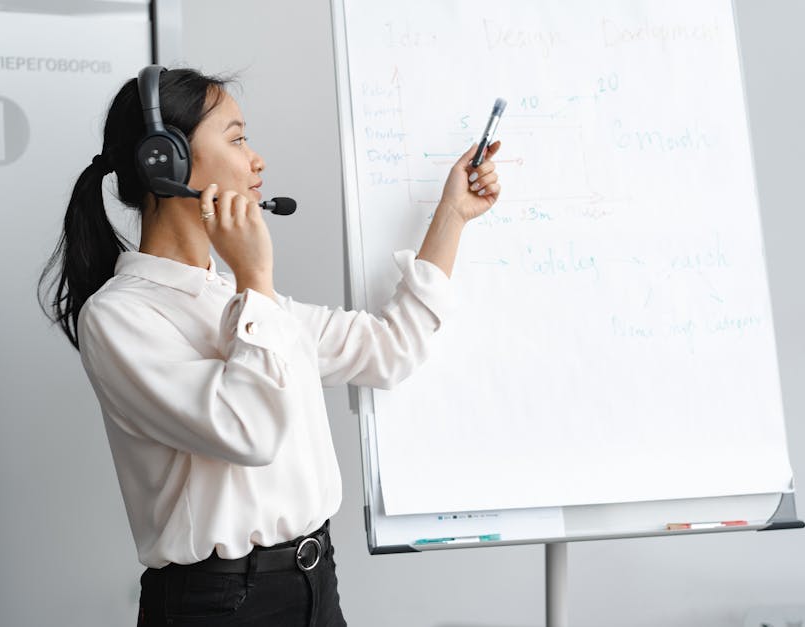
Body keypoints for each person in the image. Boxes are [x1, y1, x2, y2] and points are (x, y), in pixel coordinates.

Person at [38, 67, 501, 627]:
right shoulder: (120, 317)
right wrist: (254, 276)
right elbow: (249, 430)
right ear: (167, 161)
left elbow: (390, 348)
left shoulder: (252, 304)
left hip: (316, 584)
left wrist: (452, 214)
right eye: (236, 139)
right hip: (219, 607)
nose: (257, 160)